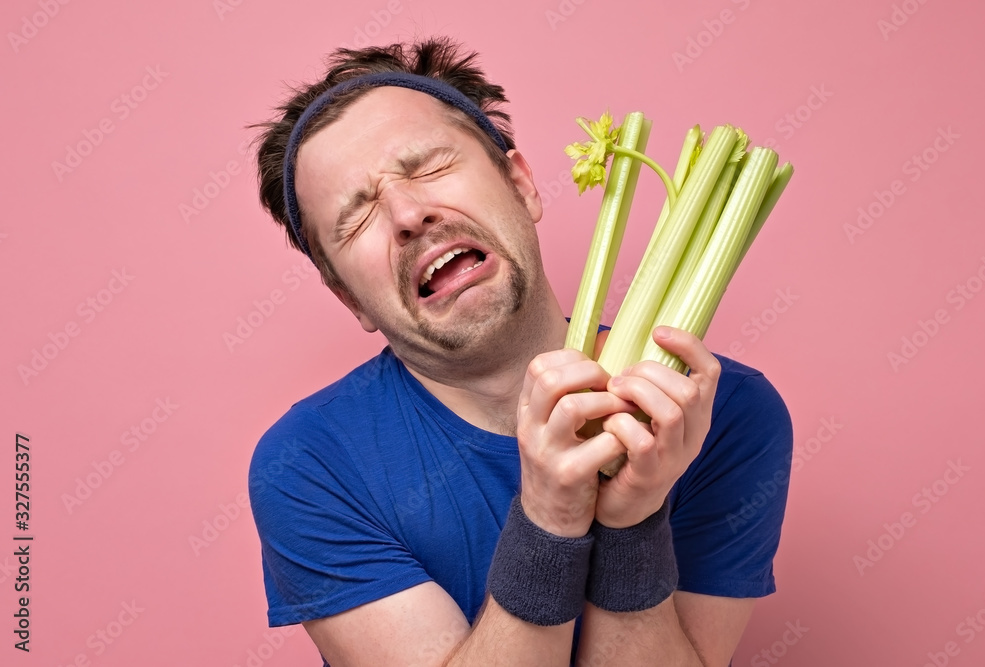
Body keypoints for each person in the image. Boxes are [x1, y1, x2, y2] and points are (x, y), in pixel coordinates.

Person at [247, 36, 792, 667]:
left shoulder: (722, 413)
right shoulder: (309, 466)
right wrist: (549, 519)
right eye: (356, 216)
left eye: (427, 167)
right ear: (352, 302)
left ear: (521, 183)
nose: (406, 213)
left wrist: (634, 521)